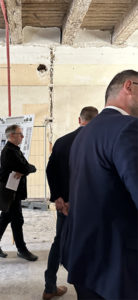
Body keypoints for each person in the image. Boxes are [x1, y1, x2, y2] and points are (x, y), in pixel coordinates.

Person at [61, 70, 138, 299]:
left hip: (85, 256)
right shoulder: (128, 128)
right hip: (117, 265)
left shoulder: (84, 134)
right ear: (129, 86)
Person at [42, 106, 98, 300]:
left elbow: (51, 171)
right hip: (90, 207)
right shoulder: (97, 141)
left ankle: (49, 286)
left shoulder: (62, 141)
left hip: (64, 206)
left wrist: (58, 198)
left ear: (79, 119)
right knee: (91, 244)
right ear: (96, 120)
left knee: (60, 242)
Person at [0, 124, 38, 261]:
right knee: (17, 220)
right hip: (10, 192)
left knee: (5, 218)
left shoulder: (15, 149)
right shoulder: (9, 151)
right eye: (20, 134)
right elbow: (26, 167)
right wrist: (26, 169)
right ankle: (21, 249)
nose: (23, 136)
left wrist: (26, 169)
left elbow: (27, 167)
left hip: (13, 191)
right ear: (11, 135)